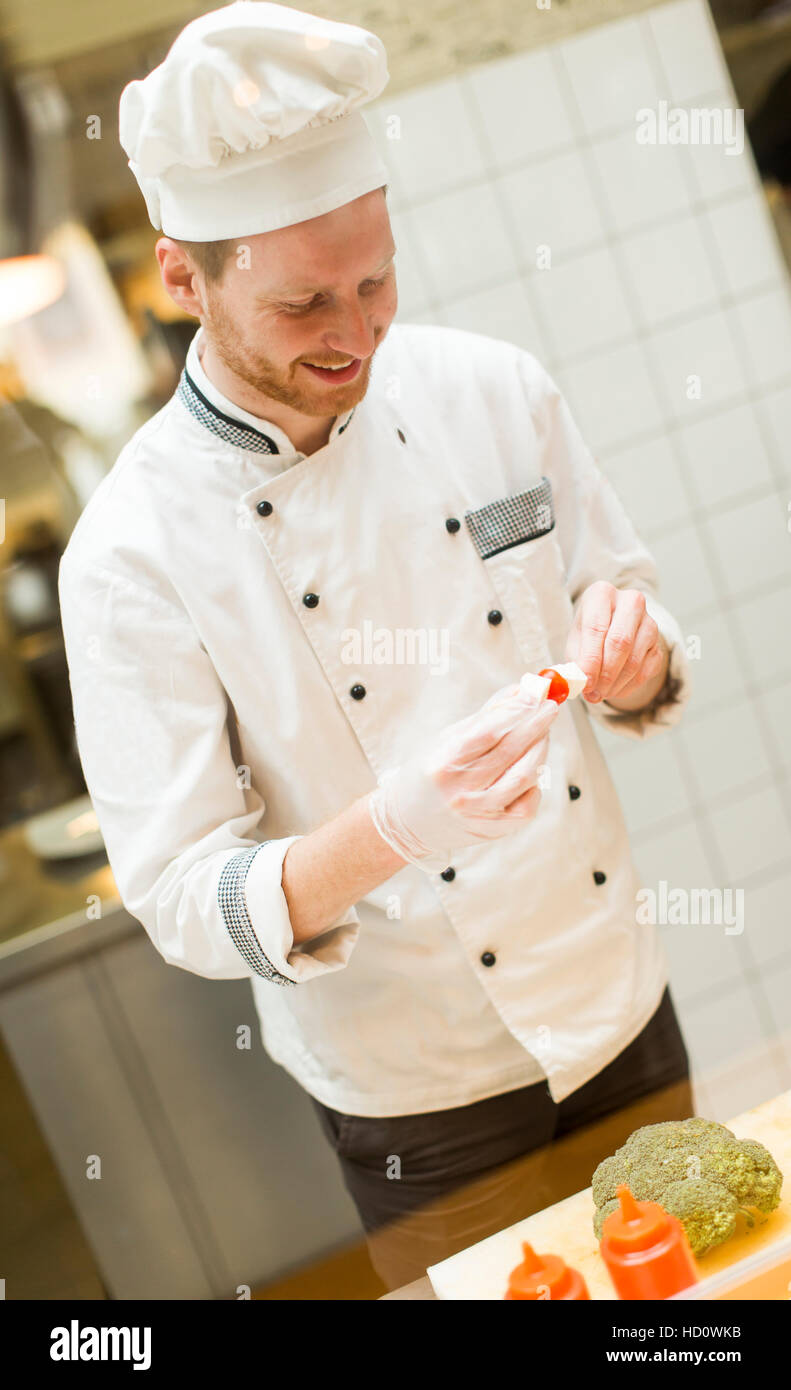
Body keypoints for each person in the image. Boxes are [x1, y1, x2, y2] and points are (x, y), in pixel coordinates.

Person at [58, 2, 694, 1293]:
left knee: (699, 1306)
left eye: (376, 279)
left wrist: (638, 652)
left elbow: (622, 591)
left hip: (619, 997)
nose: (356, 332)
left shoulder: (489, 387)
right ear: (186, 277)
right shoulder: (130, 552)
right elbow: (180, 893)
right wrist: (389, 830)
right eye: (303, 302)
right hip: (425, 1097)